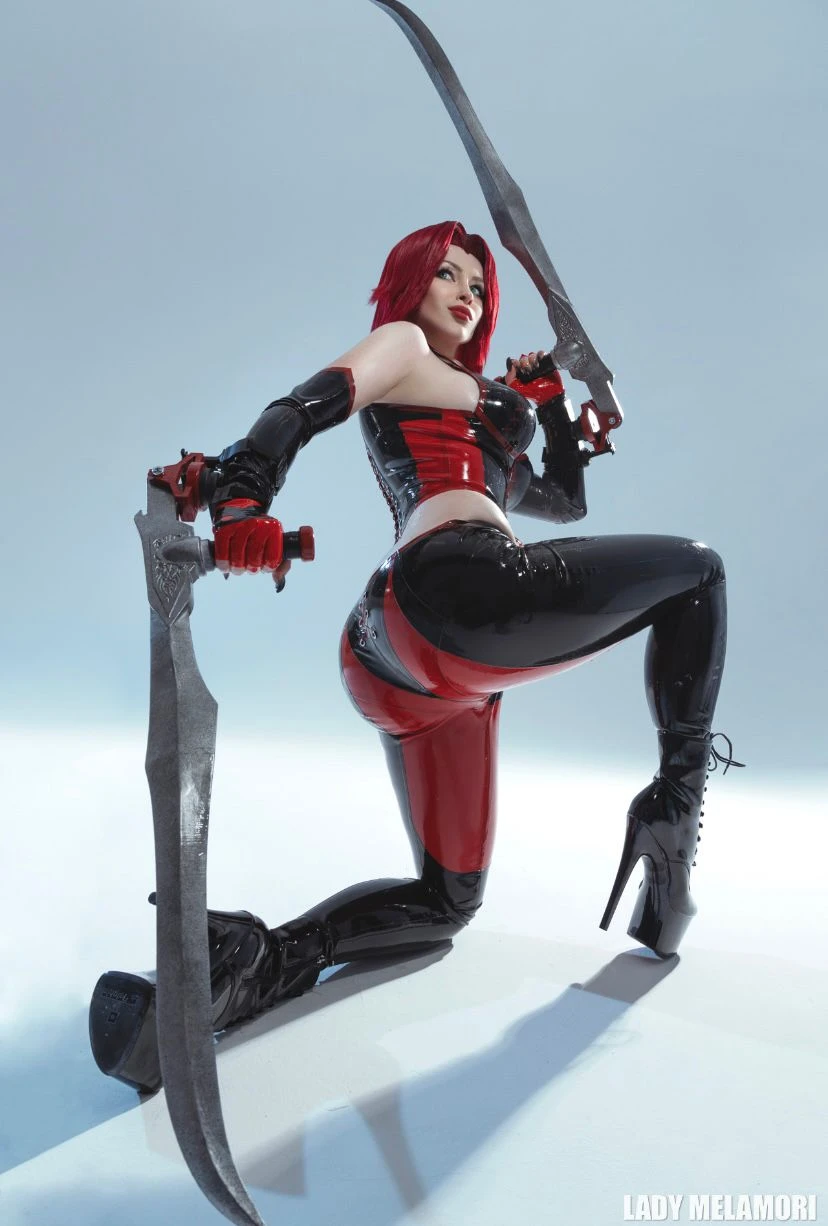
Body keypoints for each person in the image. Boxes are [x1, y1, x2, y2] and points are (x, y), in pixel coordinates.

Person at [89, 220, 741, 1094]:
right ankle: (673, 814)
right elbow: (300, 411)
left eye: (477, 283)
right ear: (409, 284)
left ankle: (247, 970)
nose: (466, 292)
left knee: (446, 902)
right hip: (454, 593)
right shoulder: (402, 348)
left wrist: (552, 409)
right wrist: (243, 496)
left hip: (411, 666)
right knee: (698, 572)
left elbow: (561, 501)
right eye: (447, 274)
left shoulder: (477, 409)